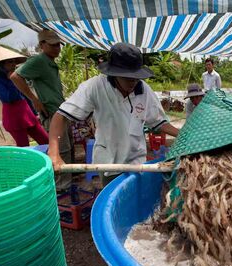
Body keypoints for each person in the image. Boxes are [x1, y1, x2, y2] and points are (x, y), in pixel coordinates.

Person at [47, 43, 179, 187]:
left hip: (136, 161)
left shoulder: (144, 90)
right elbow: (61, 116)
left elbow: (159, 123)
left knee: (136, 197)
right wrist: (54, 151)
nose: (133, 83)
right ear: (114, 74)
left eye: (136, 78)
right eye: (129, 78)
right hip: (108, 163)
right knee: (112, 196)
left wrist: (183, 134)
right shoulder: (95, 87)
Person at [10, 29, 73, 192]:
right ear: (42, 45)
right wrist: (34, 100)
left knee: (67, 146)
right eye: (52, 45)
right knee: (61, 148)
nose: (57, 48)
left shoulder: (50, 63)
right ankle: (61, 185)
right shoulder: (39, 60)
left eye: (58, 45)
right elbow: (16, 77)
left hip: (59, 110)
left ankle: (66, 178)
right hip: (51, 112)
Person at [0, 46, 48, 147]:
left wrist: (35, 112)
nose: (14, 64)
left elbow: (26, 95)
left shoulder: (17, 76)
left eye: (14, 61)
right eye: (10, 62)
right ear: (0, 65)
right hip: (13, 116)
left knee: (46, 140)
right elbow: (8, 98)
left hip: (27, 113)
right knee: (24, 147)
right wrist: (11, 79)